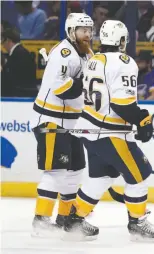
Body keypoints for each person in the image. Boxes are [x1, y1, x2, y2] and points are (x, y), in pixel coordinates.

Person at [63, 20, 154, 243]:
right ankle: (137, 223)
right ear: (120, 40)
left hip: (89, 130)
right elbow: (121, 104)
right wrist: (143, 120)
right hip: (110, 132)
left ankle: (75, 221)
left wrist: (139, 121)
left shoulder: (94, 60)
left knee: (101, 177)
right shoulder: (124, 62)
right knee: (140, 173)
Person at [30, 13, 94, 237]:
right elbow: (63, 89)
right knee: (56, 171)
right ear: (71, 31)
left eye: (89, 30)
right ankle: (41, 221)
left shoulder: (87, 55)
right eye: (82, 30)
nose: (87, 34)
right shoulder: (64, 53)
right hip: (51, 121)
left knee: (75, 171)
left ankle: (65, 219)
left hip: (71, 123)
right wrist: (85, 82)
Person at [1, 27, 37, 97]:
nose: (2, 45)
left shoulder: (19, 54)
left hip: (20, 95)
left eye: (2, 41)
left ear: (8, 40)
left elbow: (14, 78)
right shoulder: (20, 52)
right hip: (20, 94)